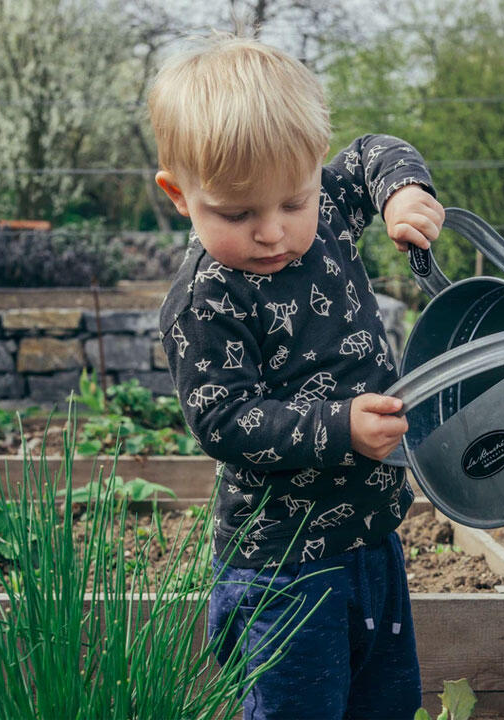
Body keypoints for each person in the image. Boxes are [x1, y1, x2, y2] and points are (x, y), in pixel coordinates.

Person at [151, 33, 445, 720]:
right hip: (282, 563)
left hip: (373, 537)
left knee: (386, 700)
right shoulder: (208, 299)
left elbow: (375, 150)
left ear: (314, 171)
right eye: (237, 212)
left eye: (292, 201)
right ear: (178, 195)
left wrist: (401, 193)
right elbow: (223, 418)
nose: (273, 232)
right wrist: (338, 427)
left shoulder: (331, 210)